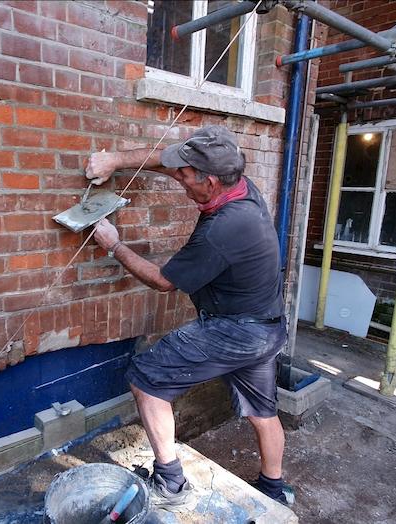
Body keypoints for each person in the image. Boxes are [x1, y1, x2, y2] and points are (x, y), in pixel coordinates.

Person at [86, 125, 292, 510]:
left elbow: (164, 281)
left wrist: (114, 245)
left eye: (186, 176)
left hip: (234, 330)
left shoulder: (223, 230)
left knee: (146, 380)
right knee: (263, 413)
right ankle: (274, 488)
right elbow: (172, 164)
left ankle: (171, 484)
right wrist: (116, 160)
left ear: (210, 182)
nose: (179, 180)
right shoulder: (240, 186)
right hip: (267, 326)